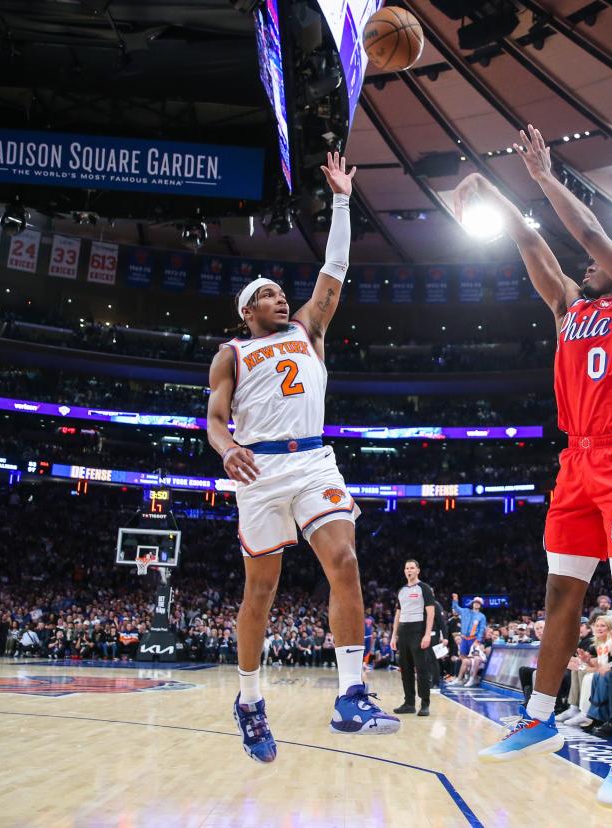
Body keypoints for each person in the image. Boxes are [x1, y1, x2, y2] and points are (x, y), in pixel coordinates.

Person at [459, 124, 612, 808]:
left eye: (598, 262)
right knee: (560, 594)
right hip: (576, 463)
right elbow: (535, 248)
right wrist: (500, 199)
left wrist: (545, 176)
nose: (586, 268)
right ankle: (539, 716)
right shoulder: (567, 309)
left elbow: (587, 239)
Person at [206, 151, 398, 763]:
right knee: (260, 592)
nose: (279, 297)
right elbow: (213, 421)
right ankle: (250, 700)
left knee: (343, 559)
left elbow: (334, 268)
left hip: (314, 461)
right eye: (266, 295)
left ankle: (351, 694)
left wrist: (342, 200)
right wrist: (228, 446)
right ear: (247, 311)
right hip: (258, 471)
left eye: (280, 292)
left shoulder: (309, 331)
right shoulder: (231, 352)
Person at [390, 559, 438, 717]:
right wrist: (394, 635)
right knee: (405, 669)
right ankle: (409, 703)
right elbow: (398, 613)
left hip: (418, 631)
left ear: (418, 570)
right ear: (404, 571)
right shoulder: (401, 590)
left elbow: (431, 612)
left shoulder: (424, 588)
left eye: (412, 568)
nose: (409, 570)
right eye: (406, 568)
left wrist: (427, 634)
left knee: (422, 669)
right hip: (403, 631)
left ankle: (425, 704)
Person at [452, 594, 487, 666]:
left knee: (473, 658)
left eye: (479, 603)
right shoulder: (465, 611)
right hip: (464, 639)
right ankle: (465, 675)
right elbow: (455, 608)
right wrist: (455, 600)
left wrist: (478, 640)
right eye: (475, 602)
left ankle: (471, 675)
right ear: (472, 603)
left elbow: (481, 629)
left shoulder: (482, 616)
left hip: (473, 639)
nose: (477, 604)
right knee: (462, 657)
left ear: (480, 606)